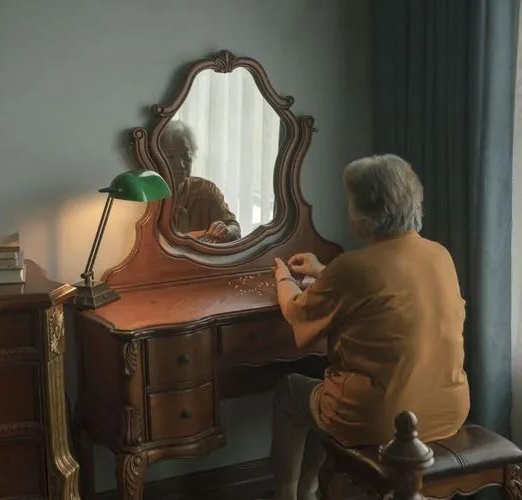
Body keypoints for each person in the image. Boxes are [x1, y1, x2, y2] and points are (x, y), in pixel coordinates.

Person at [270, 154, 469, 500]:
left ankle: (288, 493)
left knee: (290, 391)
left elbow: (297, 313)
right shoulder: (439, 255)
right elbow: (384, 287)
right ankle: (310, 489)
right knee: (323, 388)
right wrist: (324, 272)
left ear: (364, 213)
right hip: (447, 411)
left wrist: (283, 278)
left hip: (381, 420)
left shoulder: (352, 268)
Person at [160, 120, 241, 242]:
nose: (181, 165)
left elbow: (234, 227)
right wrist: (187, 238)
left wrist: (225, 231)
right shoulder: (148, 196)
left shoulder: (206, 189)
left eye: (186, 156)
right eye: (170, 157)